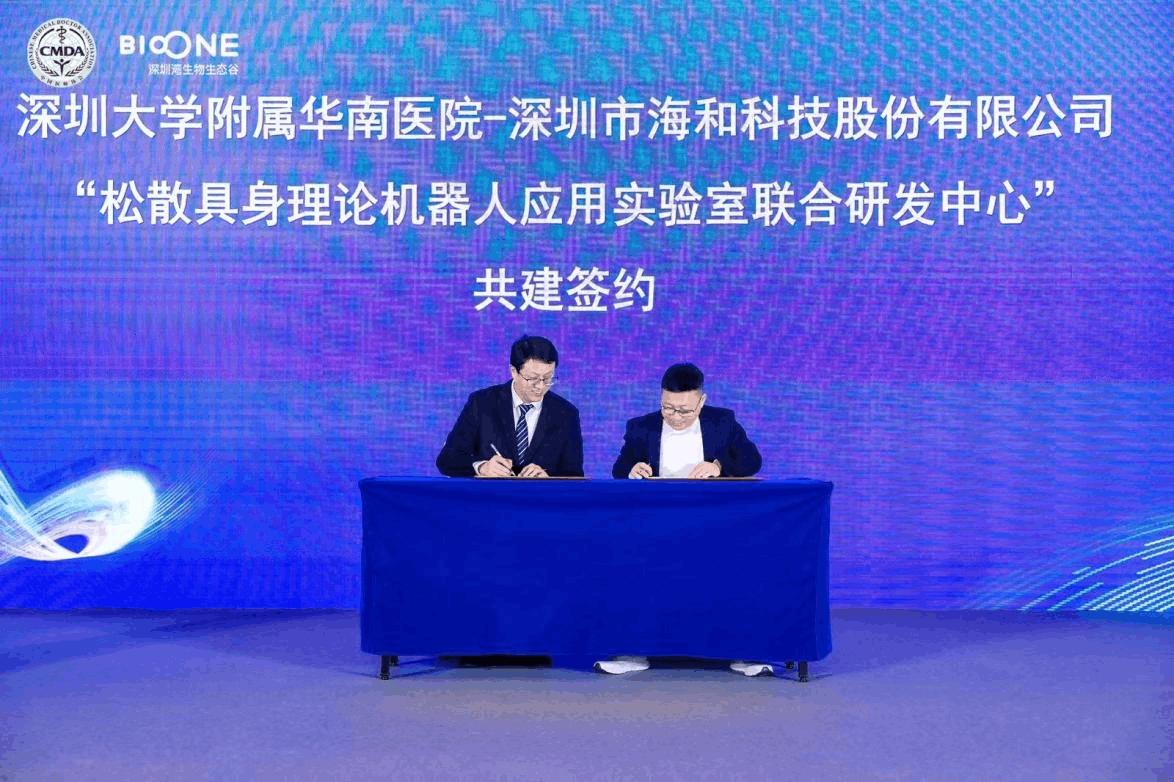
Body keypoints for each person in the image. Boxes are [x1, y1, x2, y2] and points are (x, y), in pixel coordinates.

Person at [599, 362, 770, 677]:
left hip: (714, 523)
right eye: (668, 408)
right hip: (655, 523)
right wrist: (632, 470)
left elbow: (752, 460)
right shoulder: (641, 427)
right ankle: (632, 651)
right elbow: (619, 468)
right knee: (631, 572)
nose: (676, 417)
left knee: (738, 572)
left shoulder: (722, 421)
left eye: (685, 411)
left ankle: (743, 652)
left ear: (701, 402)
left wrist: (719, 466)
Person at [436, 335, 584, 479]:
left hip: (539, 495)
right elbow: (447, 459)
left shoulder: (566, 414)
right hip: (491, 494)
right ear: (514, 371)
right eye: (532, 378)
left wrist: (549, 478)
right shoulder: (482, 403)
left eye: (547, 378)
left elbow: (575, 475)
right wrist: (481, 467)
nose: (540, 386)